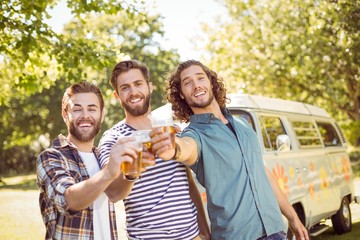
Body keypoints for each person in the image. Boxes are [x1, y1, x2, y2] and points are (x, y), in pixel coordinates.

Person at [150, 60, 310, 240]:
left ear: (210, 81)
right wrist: (172, 149)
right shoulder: (195, 134)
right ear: (181, 94)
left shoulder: (243, 125)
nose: (196, 85)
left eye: (200, 78)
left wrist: (293, 218)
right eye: (188, 83)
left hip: (275, 231)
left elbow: (262, 172)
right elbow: (186, 148)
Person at [98, 59, 211, 240]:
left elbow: (188, 183)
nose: (133, 92)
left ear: (150, 87)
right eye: (125, 88)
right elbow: (113, 193)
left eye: (138, 84)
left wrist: (204, 231)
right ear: (117, 96)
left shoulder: (172, 129)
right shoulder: (112, 139)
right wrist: (131, 174)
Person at [37, 81, 141, 239]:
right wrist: (108, 172)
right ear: (65, 114)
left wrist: (132, 173)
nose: (85, 115)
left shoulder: (102, 156)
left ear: (102, 114)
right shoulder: (51, 157)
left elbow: (115, 194)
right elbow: (68, 201)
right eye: (77, 109)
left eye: (92, 109)